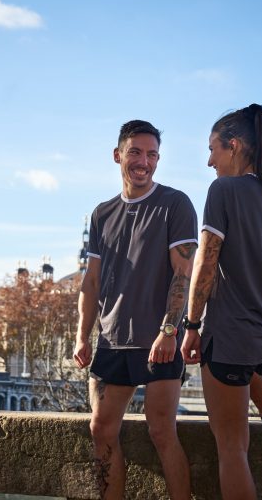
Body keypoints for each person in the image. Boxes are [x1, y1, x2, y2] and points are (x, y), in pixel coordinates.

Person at [181, 103, 262, 500]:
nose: (209, 160)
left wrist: (192, 326)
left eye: (213, 149)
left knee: (231, 449)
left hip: (232, 338)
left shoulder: (223, 191)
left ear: (233, 146)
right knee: (250, 367)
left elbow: (206, 263)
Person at [73, 120, 199, 500]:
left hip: (158, 341)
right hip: (112, 341)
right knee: (101, 430)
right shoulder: (101, 213)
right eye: (136, 152)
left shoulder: (176, 203)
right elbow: (91, 282)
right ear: (118, 156)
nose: (144, 161)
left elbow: (184, 275)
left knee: (162, 432)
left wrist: (169, 330)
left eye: (152, 154)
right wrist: (82, 335)